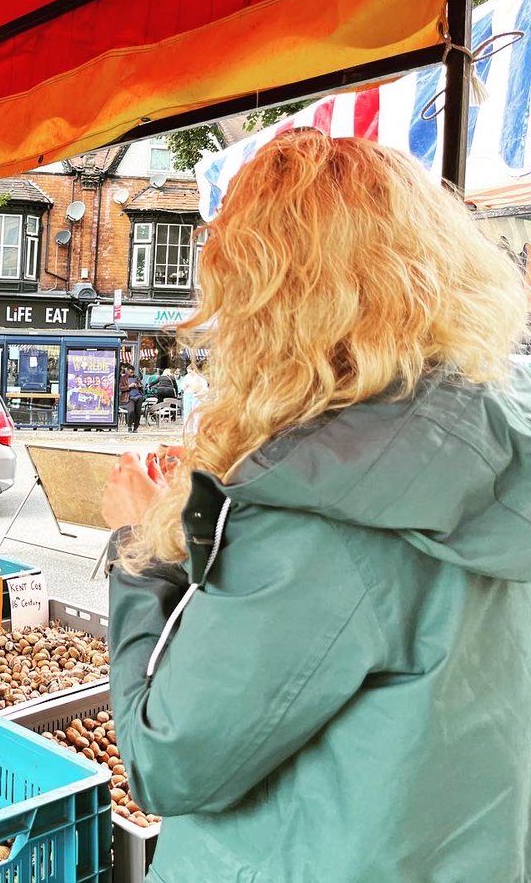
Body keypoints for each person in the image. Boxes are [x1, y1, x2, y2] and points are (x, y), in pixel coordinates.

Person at [101, 131, 531, 881]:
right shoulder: (493, 436)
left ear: (274, 306)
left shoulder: (326, 512)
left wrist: (141, 550)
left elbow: (163, 757)